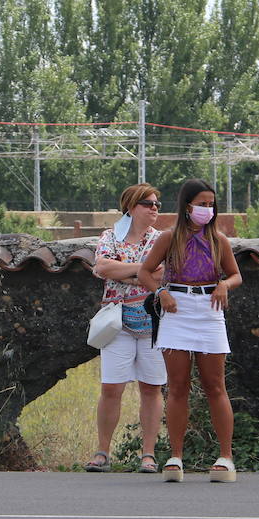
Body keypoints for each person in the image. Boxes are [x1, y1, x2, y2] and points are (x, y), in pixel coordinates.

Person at [137, 178, 241, 483]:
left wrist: (224, 284)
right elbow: (145, 271)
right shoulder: (169, 238)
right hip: (176, 308)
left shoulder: (218, 239)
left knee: (215, 385)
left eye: (211, 205)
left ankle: (225, 457)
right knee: (178, 385)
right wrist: (160, 292)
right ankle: (176, 456)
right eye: (201, 204)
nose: (206, 210)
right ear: (187, 205)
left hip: (209, 309)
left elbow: (235, 275)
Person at [85, 183, 166, 474]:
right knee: (111, 388)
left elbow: (160, 274)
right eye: (148, 203)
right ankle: (103, 452)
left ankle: (148, 454)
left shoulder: (161, 240)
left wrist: (127, 270)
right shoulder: (110, 237)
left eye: (157, 203)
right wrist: (140, 272)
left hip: (153, 322)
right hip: (117, 322)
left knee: (151, 388)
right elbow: (103, 268)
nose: (154, 208)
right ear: (131, 207)